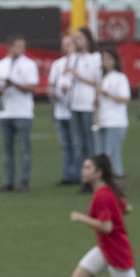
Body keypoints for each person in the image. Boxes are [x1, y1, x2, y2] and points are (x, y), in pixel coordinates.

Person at [0, 34, 40, 192]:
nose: (21, 49)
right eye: (18, 46)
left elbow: (32, 87)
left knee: (24, 149)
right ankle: (8, 182)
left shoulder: (29, 64)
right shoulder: (0, 65)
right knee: (7, 150)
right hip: (5, 112)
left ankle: (24, 181)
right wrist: (2, 88)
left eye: (23, 46)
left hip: (23, 112)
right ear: (10, 47)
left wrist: (14, 84)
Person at [68, 27, 103, 172]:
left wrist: (80, 78)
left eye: (81, 37)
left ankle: (94, 172)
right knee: (78, 142)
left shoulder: (95, 57)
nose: (78, 40)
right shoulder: (74, 58)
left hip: (88, 104)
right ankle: (83, 173)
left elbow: (98, 82)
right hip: (75, 104)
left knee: (90, 142)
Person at [93, 46, 131, 179]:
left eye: (108, 58)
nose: (105, 62)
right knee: (101, 156)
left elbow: (125, 98)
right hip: (102, 120)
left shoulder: (120, 78)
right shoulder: (102, 78)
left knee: (113, 156)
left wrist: (104, 93)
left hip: (115, 121)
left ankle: (117, 182)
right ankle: (106, 184)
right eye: (103, 59)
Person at [50, 35, 80, 186]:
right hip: (60, 111)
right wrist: (52, 95)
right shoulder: (57, 64)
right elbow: (52, 84)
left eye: (69, 43)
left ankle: (78, 174)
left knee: (76, 144)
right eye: (64, 44)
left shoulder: (79, 62)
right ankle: (67, 175)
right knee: (65, 145)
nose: (66, 47)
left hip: (75, 110)